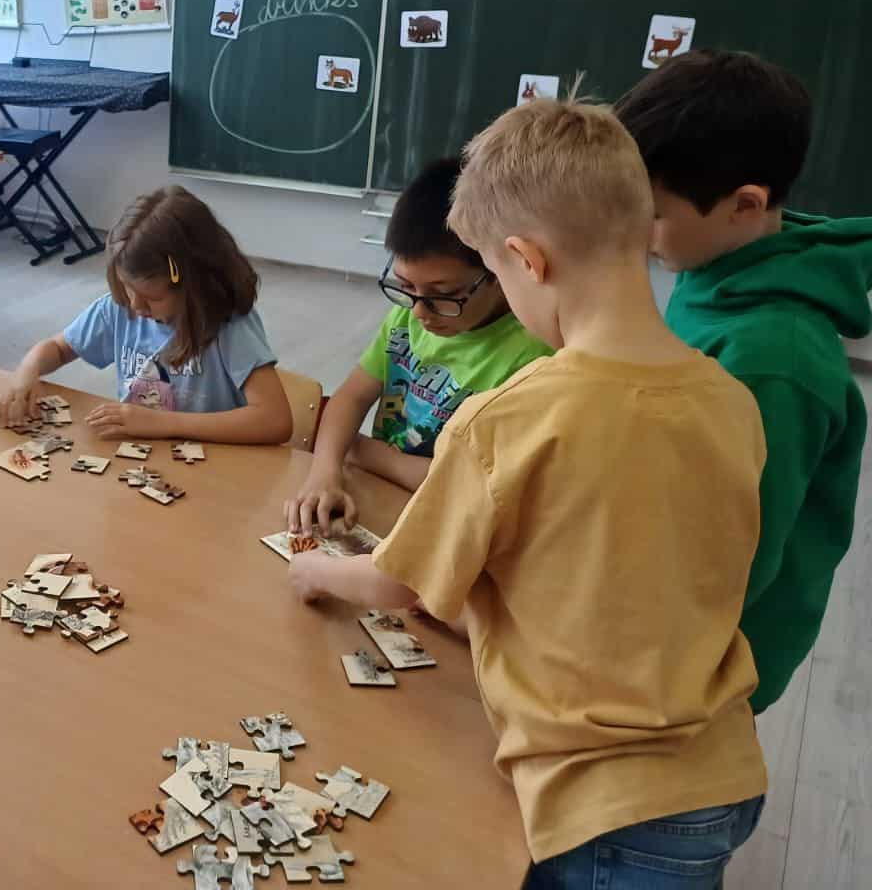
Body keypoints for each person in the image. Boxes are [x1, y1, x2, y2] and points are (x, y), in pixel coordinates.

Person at [289, 100, 768, 887]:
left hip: (602, 807)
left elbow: (398, 582)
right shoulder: (731, 399)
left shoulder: (508, 417)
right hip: (723, 770)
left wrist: (312, 569)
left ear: (524, 259)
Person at [615, 50, 872, 713]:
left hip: (705, 662)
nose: (632, 233)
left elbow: (732, 561)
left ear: (745, 205)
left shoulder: (774, 361)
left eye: (652, 213)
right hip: (658, 594)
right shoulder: (714, 264)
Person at [283, 157, 549, 536]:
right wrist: (324, 473)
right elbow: (351, 397)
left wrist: (367, 452)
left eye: (444, 293)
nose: (420, 311)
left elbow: (479, 487)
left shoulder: (533, 358)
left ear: (500, 268)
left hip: (451, 525)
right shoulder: (407, 316)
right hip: (383, 499)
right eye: (406, 286)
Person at [0, 186, 292, 444]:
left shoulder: (230, 326)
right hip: (138, 460)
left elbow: (275, 421)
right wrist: (27, 371)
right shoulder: (119, 308)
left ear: (194, 286)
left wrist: (164, 424)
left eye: (153, 297)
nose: (136, 306)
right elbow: (58, 348)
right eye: (127, 288)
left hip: (214, 464)